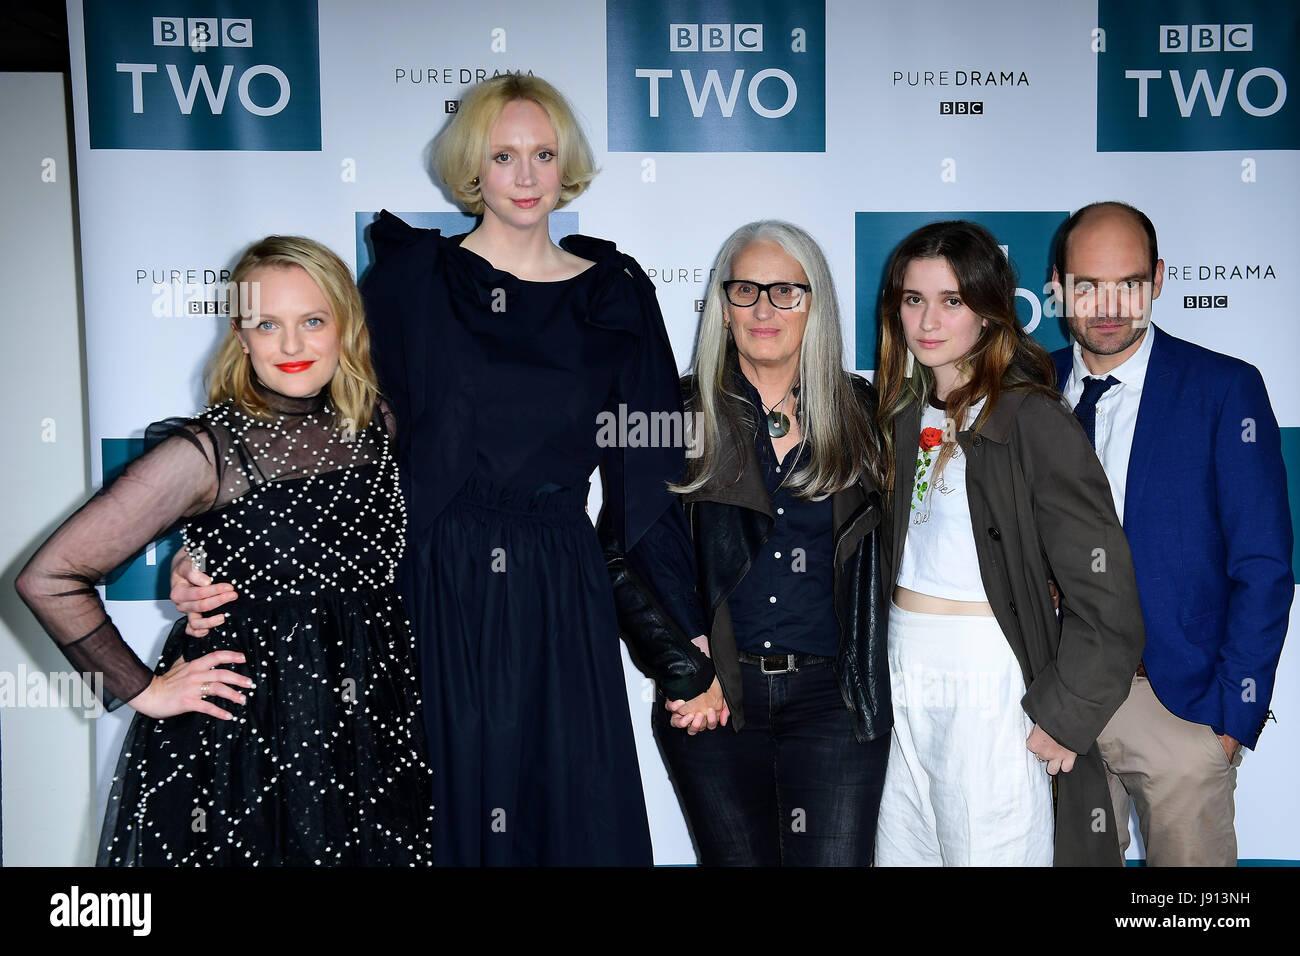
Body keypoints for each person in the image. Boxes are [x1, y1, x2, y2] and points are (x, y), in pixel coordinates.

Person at [173, 75, 711, 865]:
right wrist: (211, 551)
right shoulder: (411, 282)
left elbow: (647, 481)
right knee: (439, 817)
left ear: (568, 166)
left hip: (559, 591)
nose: (526, 177)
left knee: (570, 814)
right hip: (428, 585)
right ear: (473, 168)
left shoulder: (614, 295)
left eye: (543, 154)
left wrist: (687, 642)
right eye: (503, 155)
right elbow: (332, 435)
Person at [16, 236, 433, 865]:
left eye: (312, 321)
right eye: (267, 324)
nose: (291, 346)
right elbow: (50, 577)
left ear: (345, 326)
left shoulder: (378, 423)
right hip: (249, 730)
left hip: (374, 717)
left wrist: (190, 558)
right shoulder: (210, 451)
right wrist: (145, 690)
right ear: (240, 336)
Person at [872, 219, 1146, 866]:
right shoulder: (901, 417)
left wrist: (1067, 714)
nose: (929, 321)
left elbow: (1107, 594)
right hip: (901, 666)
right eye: (915, 300)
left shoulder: (1033, 420)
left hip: (987, 677)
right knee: (906, 851)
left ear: (990, 314)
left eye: (952, 301)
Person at [636, 220, 890, 866]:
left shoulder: (867, 415)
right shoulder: (675, 413)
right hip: (717, 701)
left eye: (786, 292)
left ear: (817, 303)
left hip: (836, 704)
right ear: (724, 305)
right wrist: (683, 671)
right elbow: (625, 552)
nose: (764, 309)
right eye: (746, 291)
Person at [1050, 201, 1292, 866]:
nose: (1106, 306)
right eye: (1086, 284)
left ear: (1158, 279)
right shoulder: (1029, 387)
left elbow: (1264, 564)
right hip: (1054, 704)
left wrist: (1228, 723)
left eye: (1127, 283)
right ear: (1058, 285)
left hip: (1176, 704)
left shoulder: (1224, 390)